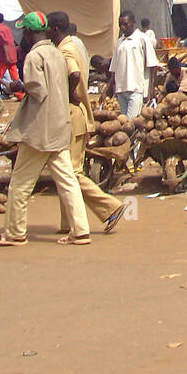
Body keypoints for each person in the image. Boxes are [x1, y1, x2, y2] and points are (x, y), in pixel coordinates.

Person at [0, 12, 91, 246]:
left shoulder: (34, 57)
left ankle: (15, 233)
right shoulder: (57, 53)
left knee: (20, 184)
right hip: (59, 126)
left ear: (28, 32)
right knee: (68, 181)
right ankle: (80, 230)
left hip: (39, 131)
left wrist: (18, 86)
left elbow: (38, 89)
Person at [49, 12, 125, 234]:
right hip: (77, 114)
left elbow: (73, 74)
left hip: (72, 114)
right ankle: (68, 222)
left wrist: (70, 93)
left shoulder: (65, 50)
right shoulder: (74, 45)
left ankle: (110, 207)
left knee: (70, 173)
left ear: (55, 29)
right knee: (65, 171)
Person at [107, 10, 160, 164]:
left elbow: (153, 65)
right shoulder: (120, 42)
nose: (122, 27)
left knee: (132, 126)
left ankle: (135, 159)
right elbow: (114, 69)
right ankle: (126, 157)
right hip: (121, 89)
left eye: (125, 24)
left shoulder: (142, 39)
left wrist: (151, 89)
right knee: (124, 126)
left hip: (136, 88)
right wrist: (108, 89)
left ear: (133, 23)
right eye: (120, 24)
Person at [0, 12, 20, 83]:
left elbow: (5, 43)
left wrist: (7, 56)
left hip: (3, 57)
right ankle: (19, 89)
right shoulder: (7, 28)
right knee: (15, 76)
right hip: (12, 55)